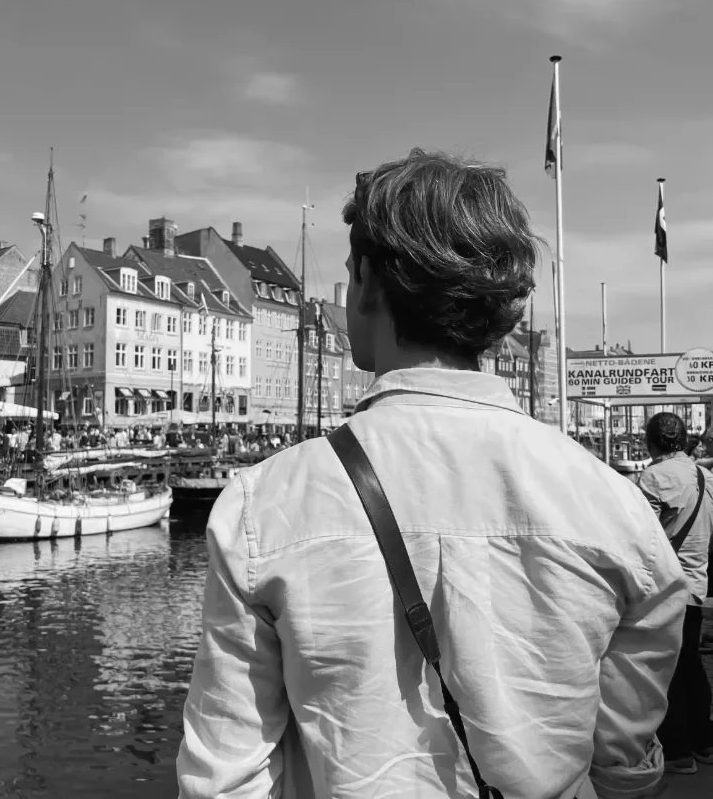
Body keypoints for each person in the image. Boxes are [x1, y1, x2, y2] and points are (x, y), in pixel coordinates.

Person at [178, 149, 688, 799]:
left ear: (366, 280)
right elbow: (621, 764)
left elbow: (226, 778)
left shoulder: (267, 506)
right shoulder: (614, 508)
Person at [637, 413, 713, 775]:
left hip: (664, 590)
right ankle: (705, 742)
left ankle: (680, 752)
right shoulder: (706, 476)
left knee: (666, 671)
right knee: (692, 667)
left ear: (651, 442)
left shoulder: (653, 477)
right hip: (695, 588)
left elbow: (642, 539)